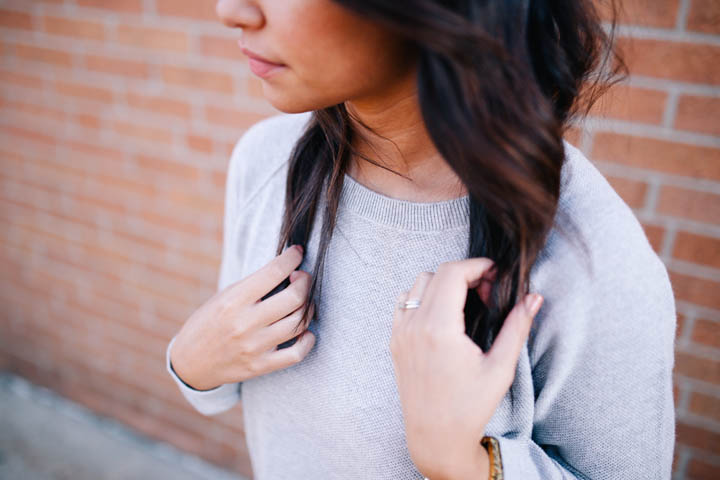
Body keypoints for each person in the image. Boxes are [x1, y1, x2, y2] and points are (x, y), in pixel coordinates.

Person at [166, 1, 677, 479]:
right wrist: (190, 362)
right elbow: (226, 383)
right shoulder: (265, 159)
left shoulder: (592, 260)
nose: (229, 10)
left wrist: (466, 463)